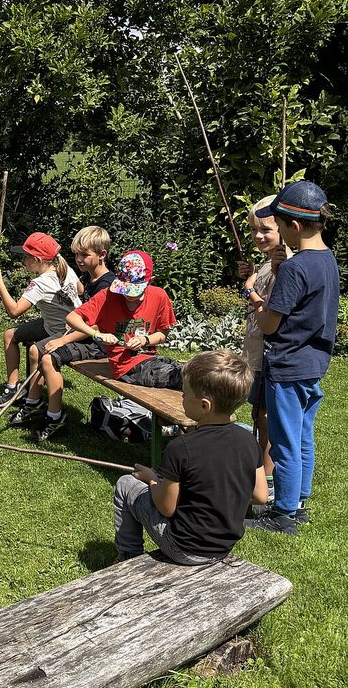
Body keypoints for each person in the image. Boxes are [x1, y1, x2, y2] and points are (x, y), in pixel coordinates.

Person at [113, 350, 267, 562]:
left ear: (205, 405)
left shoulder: (180, 447)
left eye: (185, 393)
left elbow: (166, 508)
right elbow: (261, 496)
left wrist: (152, 480)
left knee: (126, 484)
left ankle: (128, 557)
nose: (182, 397)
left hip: (183, 548)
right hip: (223, 547)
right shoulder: (249, 441)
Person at [248, 180, 339, 536]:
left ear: (294, 226)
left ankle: (283, 514)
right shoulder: (327, 260)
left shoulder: (294, 268)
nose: (279, 233)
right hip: (313, 364)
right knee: (302, 437)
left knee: (284, 442)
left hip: (287, 366)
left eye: (279, 225)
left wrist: (254, 297)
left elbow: (270, 324)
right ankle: (298, 502)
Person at [14, 226, 116, 438]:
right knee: (37, 350)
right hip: (82, 335)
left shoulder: (106, 285)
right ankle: (33, 403)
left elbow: (97, 327)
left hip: (98, 343)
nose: (78, 259)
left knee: (48, 357)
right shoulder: (89, 278)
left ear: (102, 254)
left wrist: (63, 340)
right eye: (76, 254)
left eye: (84, 255)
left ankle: (55, 417)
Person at [0, 232, 82, 443]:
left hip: (63, 331)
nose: (23, 261)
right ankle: (13, 388)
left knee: (36, 350)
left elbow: (14, 311)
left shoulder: (39, 283)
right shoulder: (66, 270)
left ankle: (34, 403)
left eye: (26, 257)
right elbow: (80, 290)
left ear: (38, 260)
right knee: (10, 334)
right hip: (55, 324)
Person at [64, 250, 183, 389]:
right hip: (126, 367)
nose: (128, 295)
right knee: (183, 378)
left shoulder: (159, 296)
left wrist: (144, 340)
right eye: (124, 289)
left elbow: (162, 334)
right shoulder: (107, 297)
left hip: (151, 359)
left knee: (191, 371)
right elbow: (72, 318)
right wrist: (97, 334)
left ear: (150, 281)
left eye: (134, 290)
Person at [237, 196, 288, 509]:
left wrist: (250, 288)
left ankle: (267, 477)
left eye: (266, 230)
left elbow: (271, 304)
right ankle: (261, 472)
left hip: (269, 351)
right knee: (258, 412)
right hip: (257, 350)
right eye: (254, 230)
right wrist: (254, 273)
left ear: (283, 228)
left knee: (265, 415)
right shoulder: (270, 262)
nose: (258, 236)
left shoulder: (283, 263)